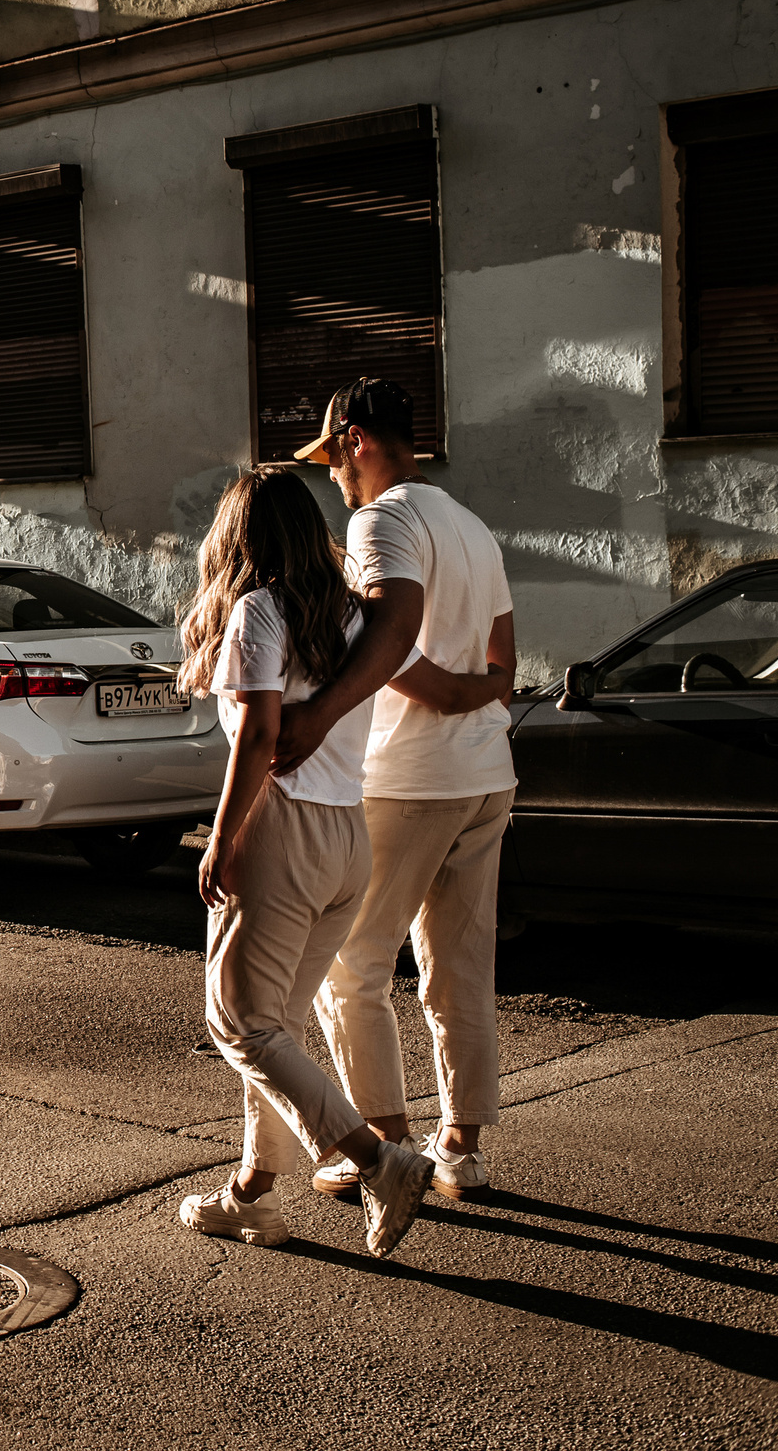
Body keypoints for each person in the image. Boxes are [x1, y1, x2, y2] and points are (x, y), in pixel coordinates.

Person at [172, 466, 494, 1257]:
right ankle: (251, 1195)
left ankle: (377, 1159)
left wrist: (220, 838)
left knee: (238, 1020)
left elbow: (259, 737)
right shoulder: (351, 618)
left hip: (282, 829)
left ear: (236, 537)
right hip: (350, 833)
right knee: (275, 1023)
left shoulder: (257, 610)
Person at [274, 379, 519, 1203]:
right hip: (486, 774)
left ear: (354, 440)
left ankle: (385, 1146)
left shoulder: (380, 520)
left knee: (356, 964)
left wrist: (320, 711)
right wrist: (460, 693)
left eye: (330, 459)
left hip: (412, 777)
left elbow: (392, 621)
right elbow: (503, 663)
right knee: (459, 965)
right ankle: (464, 1149)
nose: (331, 481)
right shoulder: (473, 525)